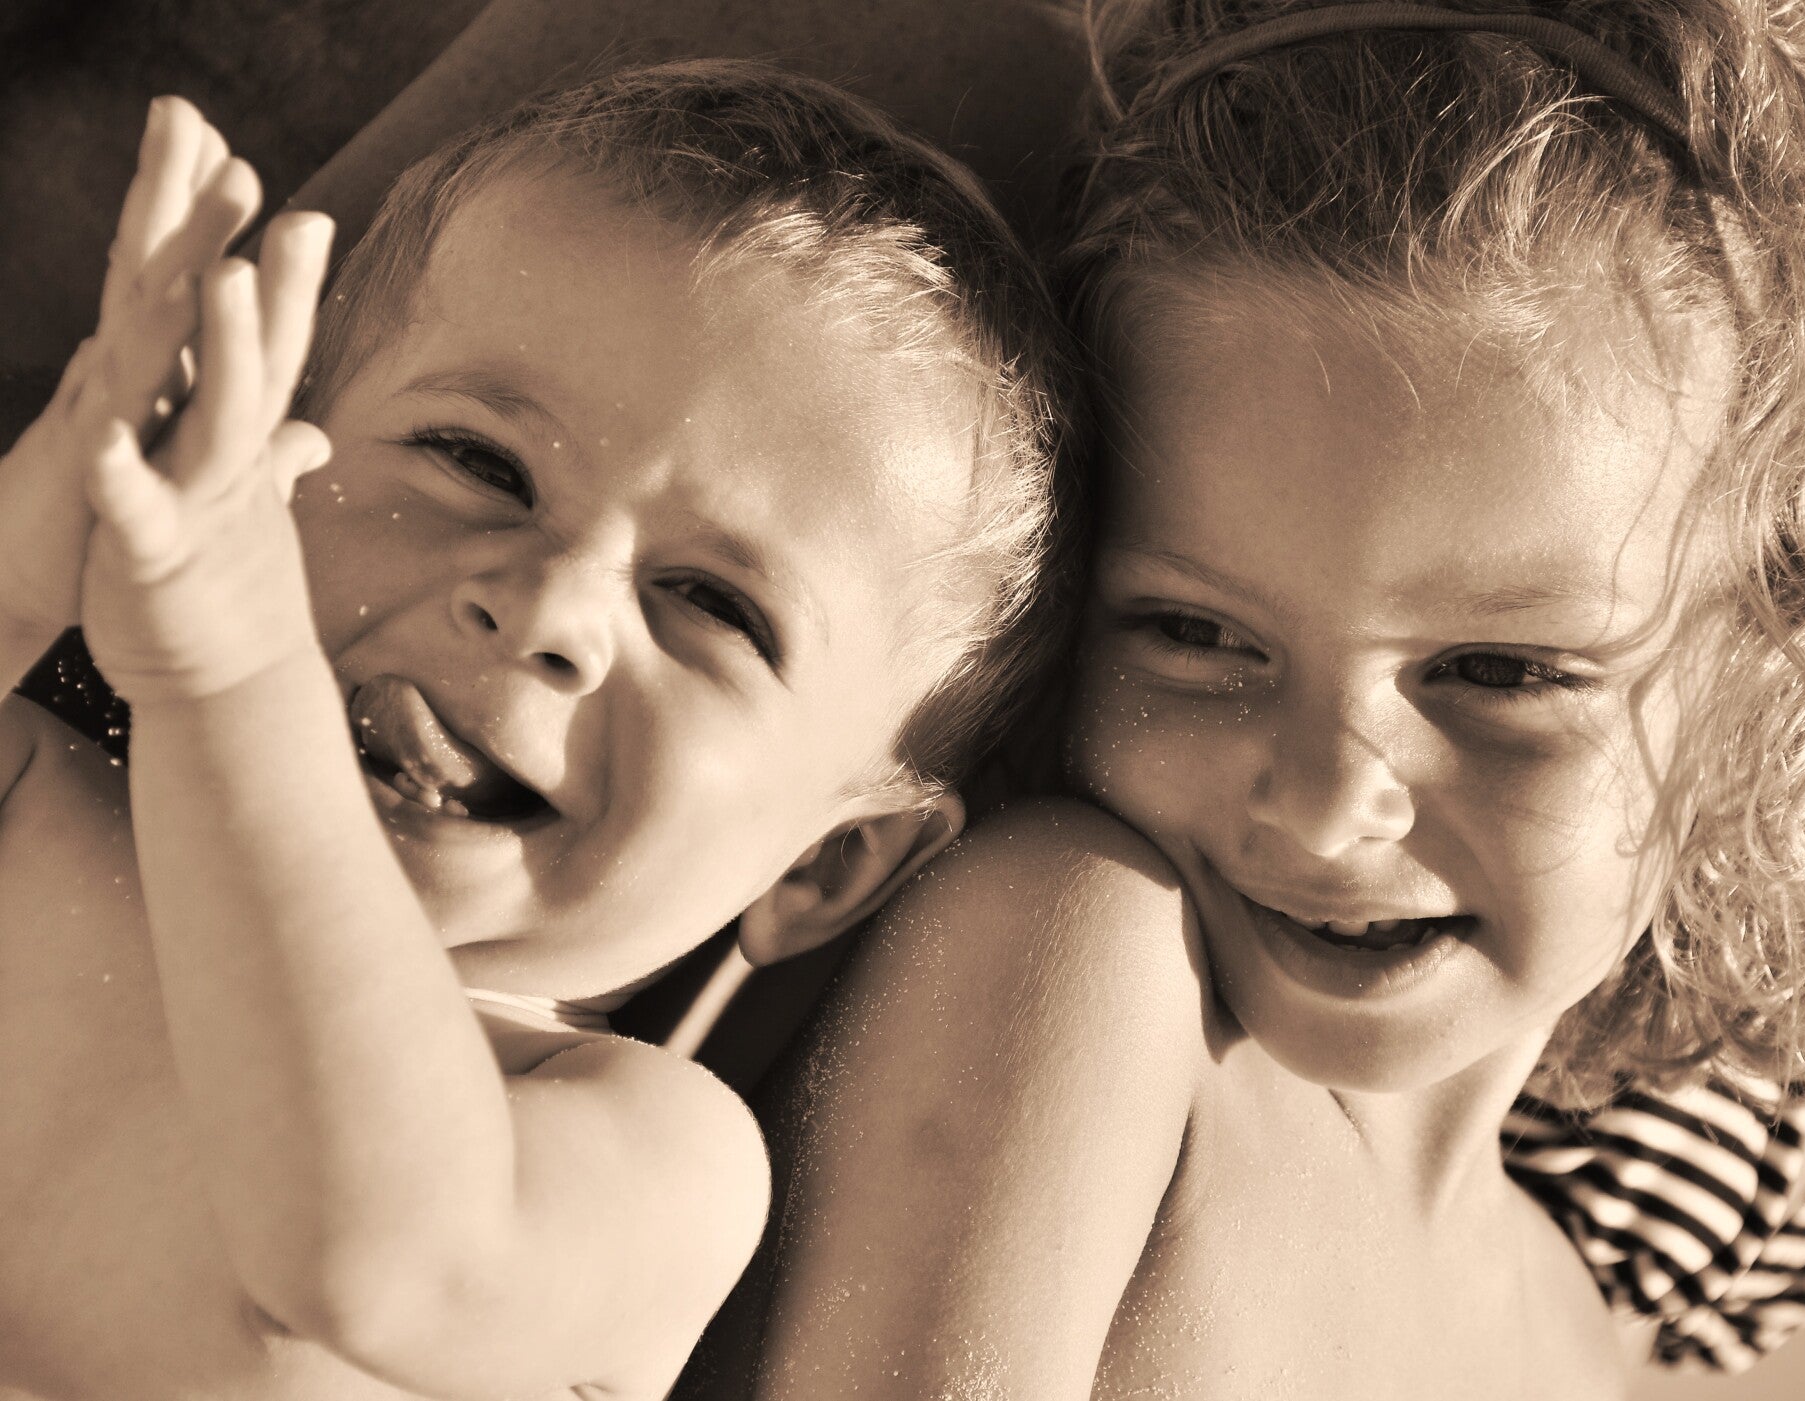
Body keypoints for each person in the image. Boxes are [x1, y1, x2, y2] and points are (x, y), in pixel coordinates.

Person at [680, 2, 1805, 1397]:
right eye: (1198, 636)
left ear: (1774, 675)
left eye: (1503, 672)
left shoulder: (1602, 1325)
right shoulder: (1081, 961)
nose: (1330, 805)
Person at [0, 57, 1074, 1400]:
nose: (548, 603)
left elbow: (379, 1260)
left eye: (714, 604)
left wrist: (233, 673)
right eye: (478, 461)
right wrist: (41, 554)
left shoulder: (642, 1149)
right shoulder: (35, 809)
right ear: (270, 454)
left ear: (823, 865)